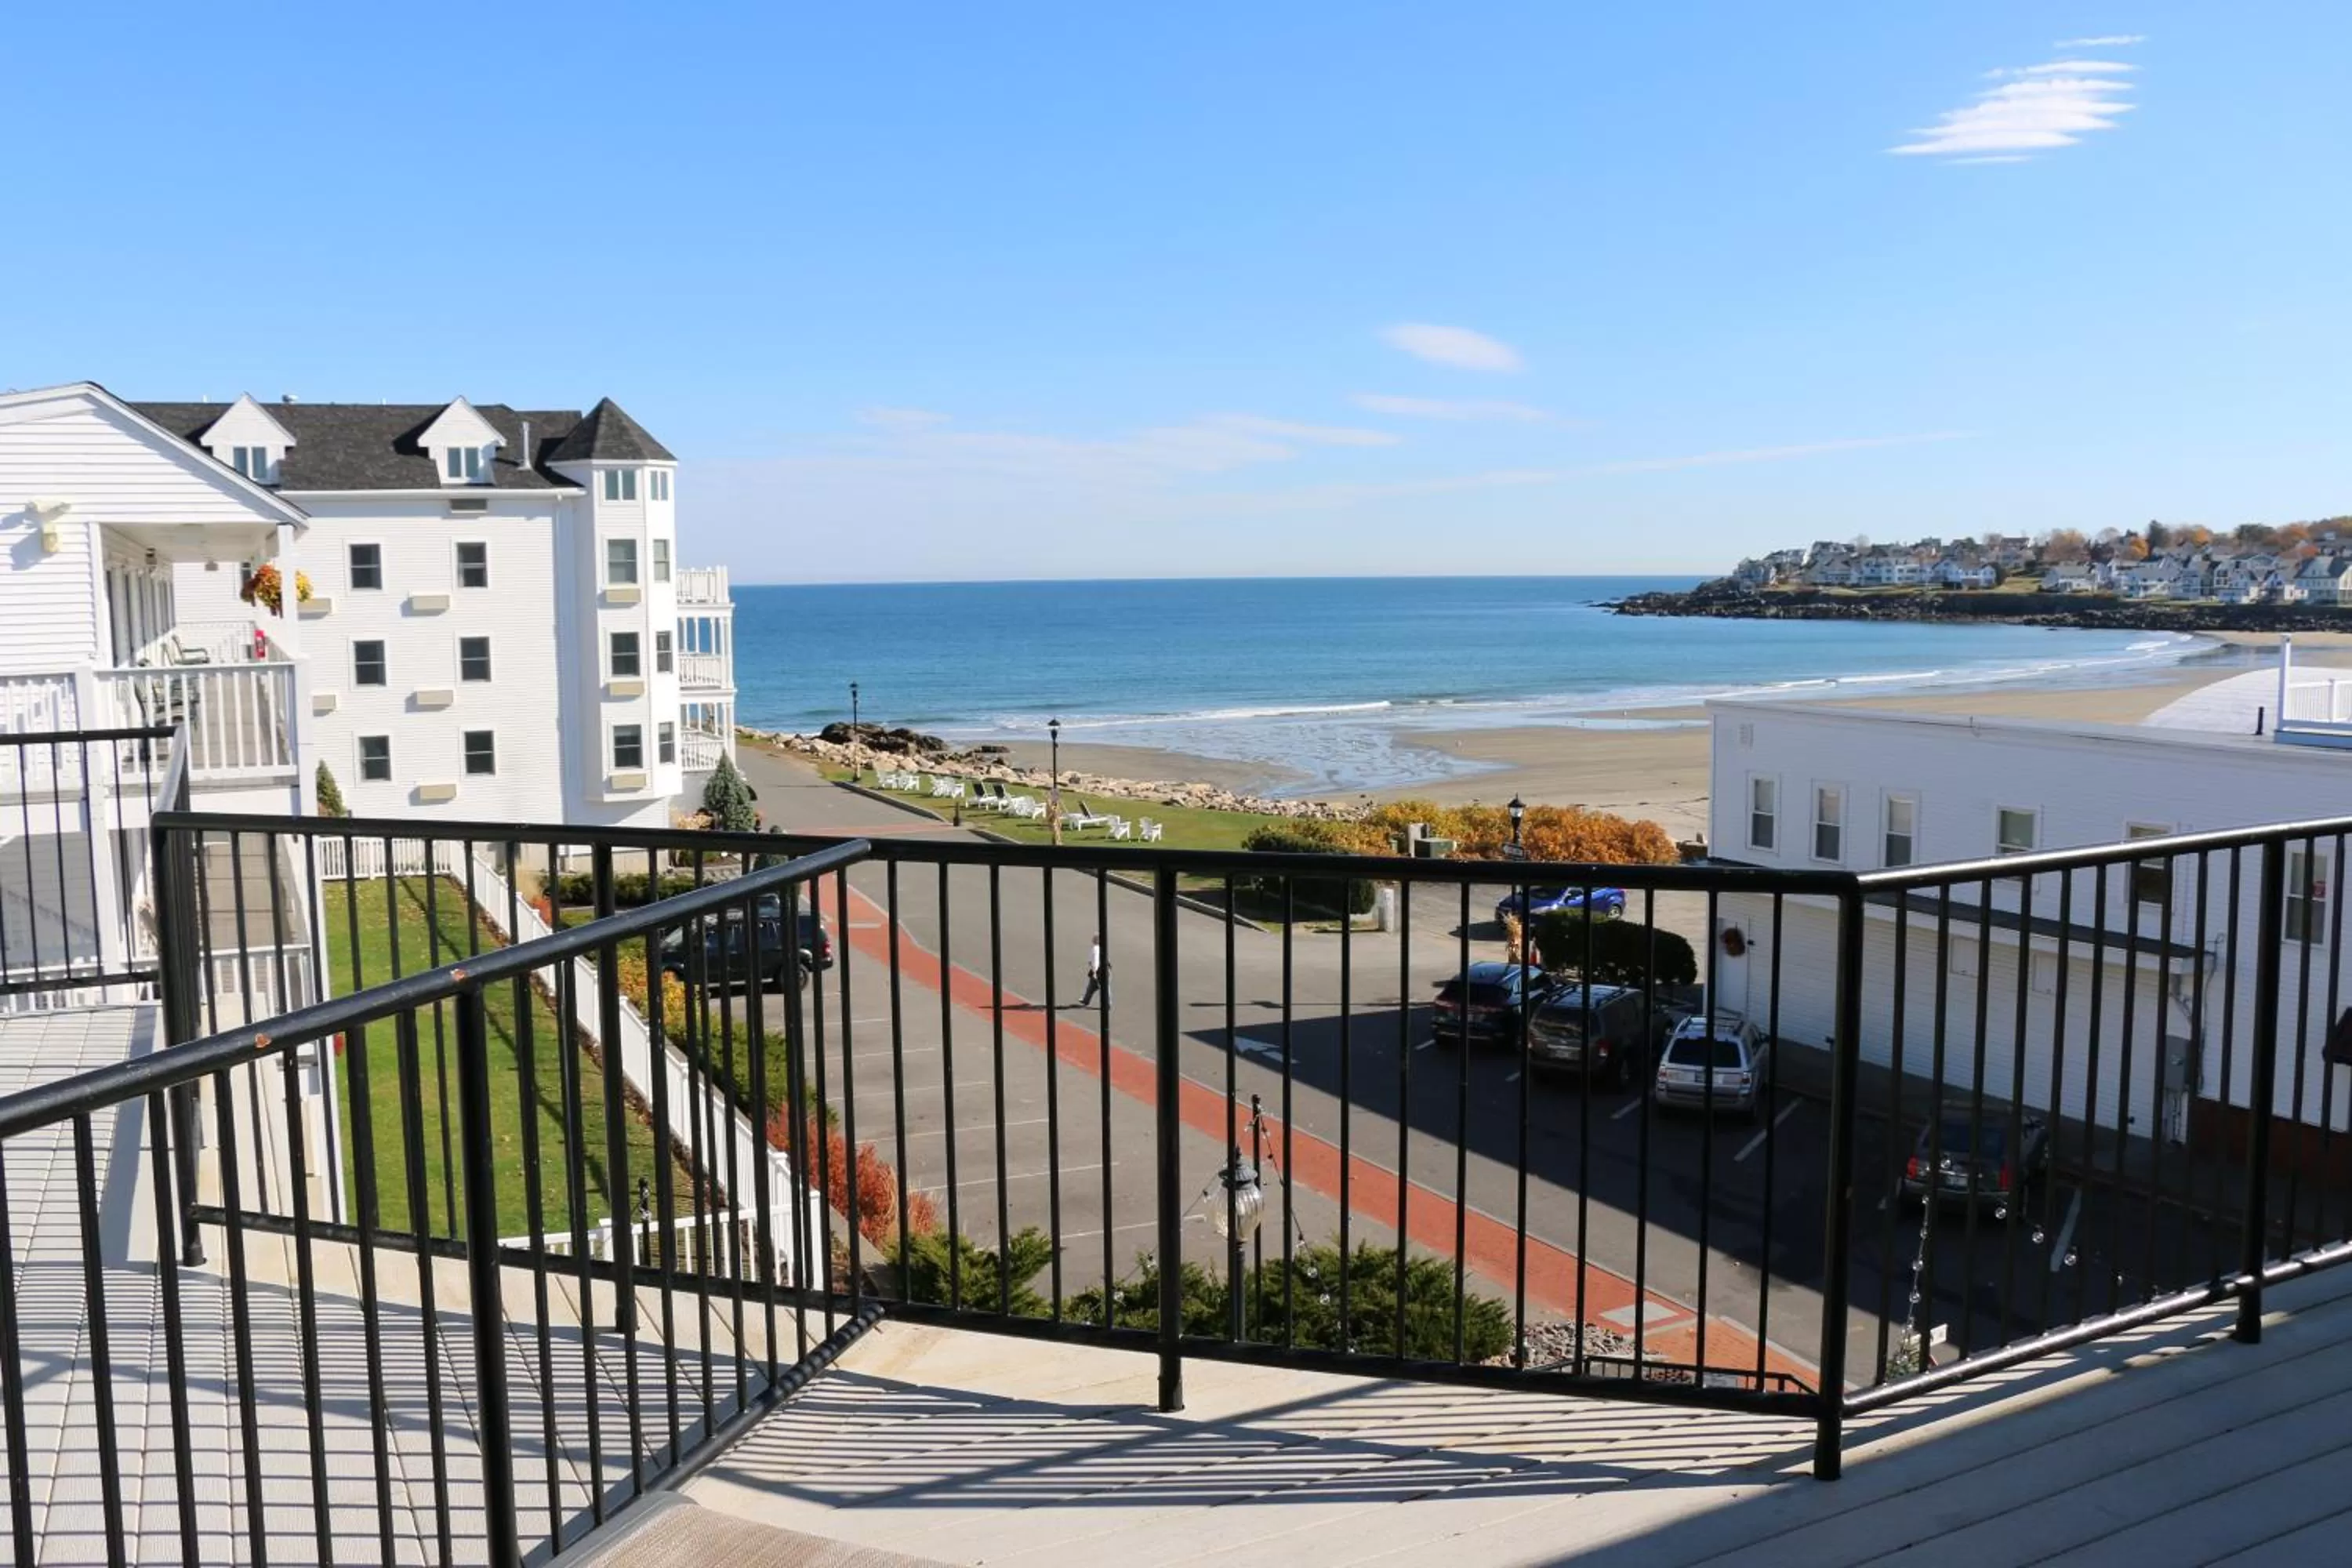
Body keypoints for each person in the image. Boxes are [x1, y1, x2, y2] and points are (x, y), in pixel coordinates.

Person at [1077, 933, 1109, 1007]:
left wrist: (1094, 972)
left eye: (1094, 938)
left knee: (1096, 986)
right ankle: (1086, 1000)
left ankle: (1087, 1000)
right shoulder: (1101, 947)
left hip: (1098, 971)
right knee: (1098, 987)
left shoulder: (1095, 949)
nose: (1092, 939)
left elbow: (1095, 961)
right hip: (1104, 970)